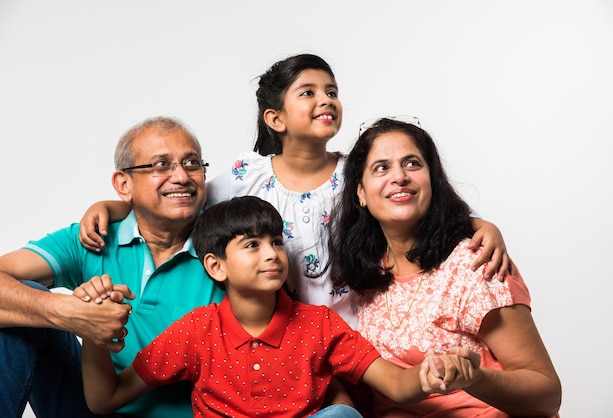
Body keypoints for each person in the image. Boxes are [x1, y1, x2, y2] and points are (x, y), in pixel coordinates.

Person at [78, 53, 511, 329]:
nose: (326, 99)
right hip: (279, 334)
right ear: (275, 119)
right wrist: (114, 206)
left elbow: (409, 206)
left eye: (332, 92)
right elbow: (181, 199)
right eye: (308, 92)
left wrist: (478, 224)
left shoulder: (355, 174)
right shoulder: (246, 176)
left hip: (358, 331)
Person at [79, 195, 483, 418]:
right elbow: (105, 399)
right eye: (251, 245)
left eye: (274, 241)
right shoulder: (198, 329)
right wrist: (94, 331)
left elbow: (396, 384)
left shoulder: (317, 324)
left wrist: (430, 376)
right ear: (215, 266)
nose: (271, 253)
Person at [328, 117, 562, 417]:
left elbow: (547, 395)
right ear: (360, 192)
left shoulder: (474, 263)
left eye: (412, 163)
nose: (399, 177)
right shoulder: (365, 275)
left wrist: (475, 379)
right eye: (381, 167)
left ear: (433, 181)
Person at [0, 116, 225, 417]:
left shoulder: (232, 244)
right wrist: (69, 312)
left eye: (192, 163)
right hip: (92, 409)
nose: (182, 177)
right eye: (161, 165)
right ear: (123, 184)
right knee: (19, 307)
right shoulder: (94, 237)